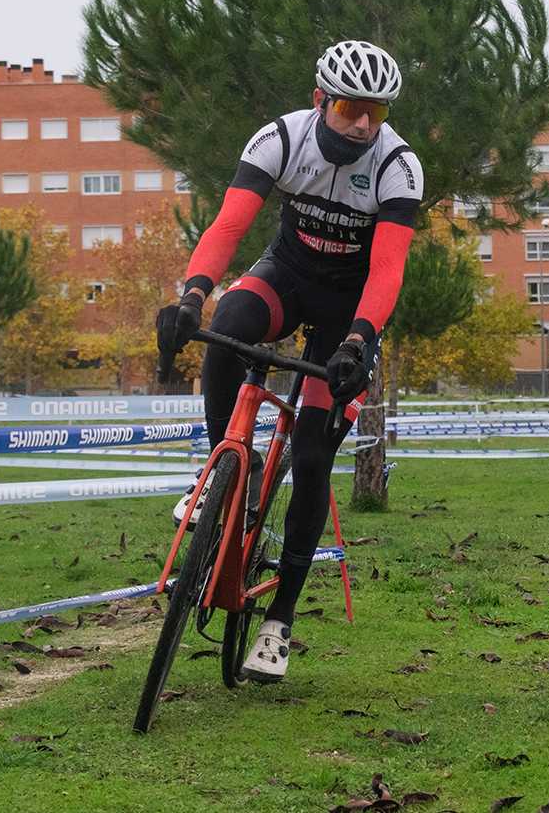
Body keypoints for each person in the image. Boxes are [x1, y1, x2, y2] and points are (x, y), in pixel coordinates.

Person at [155, 40, 422, 682]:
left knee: (310, 458)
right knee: (227, 328)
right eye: (352, 107)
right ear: (320, 100)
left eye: (376, 112)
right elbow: (226, 227)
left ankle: (279, 623)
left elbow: (386, 270)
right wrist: (193, 294)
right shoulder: (279, 137)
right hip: (287, 275)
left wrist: (358, 343)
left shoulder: (398, 167)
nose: (363, 123)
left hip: (347, 311)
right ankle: (220, 475)